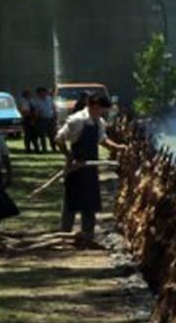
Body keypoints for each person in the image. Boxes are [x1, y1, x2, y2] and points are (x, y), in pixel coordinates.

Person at [54, 92, 126, 239]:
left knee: (90, 199)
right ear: (92, 106)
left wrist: (117, 147)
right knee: (71, 198)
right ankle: (65, 232)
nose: (103, 112)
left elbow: (102, 140)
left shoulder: (99, 122)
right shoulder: (77, 120)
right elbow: (59, 139)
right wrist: (69, 157)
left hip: (90, 166)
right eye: (101, 109)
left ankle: (88, 232)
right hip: (75, 166)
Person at [33, 86, 56, 152]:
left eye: (43, 92)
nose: (42, 94)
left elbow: (53, 108)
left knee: (52, 135)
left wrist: (55, 117)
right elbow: (37, 111)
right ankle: (44, 149)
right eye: (40, 93)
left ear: (45, 92)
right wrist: (35, 119)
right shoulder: (36, 101)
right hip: (42, 119)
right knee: (42, 135)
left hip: (51, 118)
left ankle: (53, 148)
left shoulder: (50, 99)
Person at [18, 89, 39, 153]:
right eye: (28, 94)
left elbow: (37, 109)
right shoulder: (23, 102)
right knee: (28, 136)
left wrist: (35, 118)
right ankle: (28, 149)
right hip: (27, 119)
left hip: (34, 119)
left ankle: (36, 149)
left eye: (30, 94)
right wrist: (33, 115)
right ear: (25, 95)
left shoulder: (32, 101)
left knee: (35, 135)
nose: (30, 95)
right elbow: (25, 112)